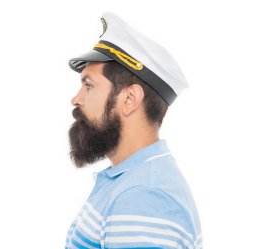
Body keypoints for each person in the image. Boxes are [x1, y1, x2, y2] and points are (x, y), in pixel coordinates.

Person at [65, 12, 202, 249]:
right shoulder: (130, 180)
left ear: (130, 98)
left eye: (89, 85)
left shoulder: (144, 196)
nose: (76, 99)